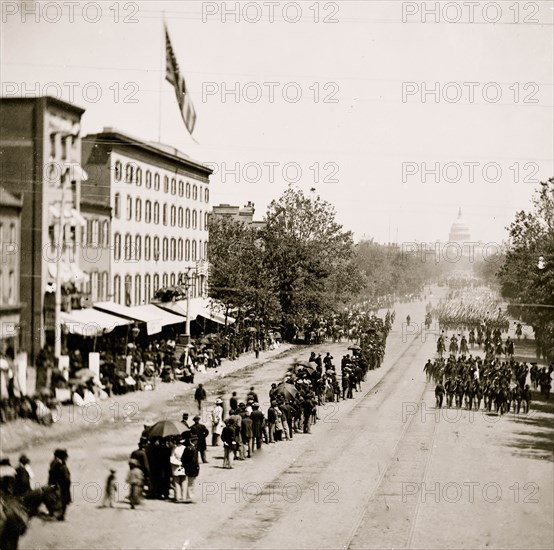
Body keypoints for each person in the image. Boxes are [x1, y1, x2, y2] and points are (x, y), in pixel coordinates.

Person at [48, 449, 71, 521]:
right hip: (63, 486)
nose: (67, 458)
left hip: (61, 486)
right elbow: (65, 477)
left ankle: (60, 515)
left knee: (62, 501)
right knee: (63, 501)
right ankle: (61, 516)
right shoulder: (60, 465)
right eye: (66, 457)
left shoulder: (59, 464)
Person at [181, 434, 200, 503]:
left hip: (189, 468)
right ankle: (189, 497)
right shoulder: (192, 448)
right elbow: (194, 460)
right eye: (195, 440)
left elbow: (183, 459)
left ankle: (189, 496)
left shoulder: (189, 448)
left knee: (191, 483)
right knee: (191, 483)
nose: (196, 441)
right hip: (192, 468)